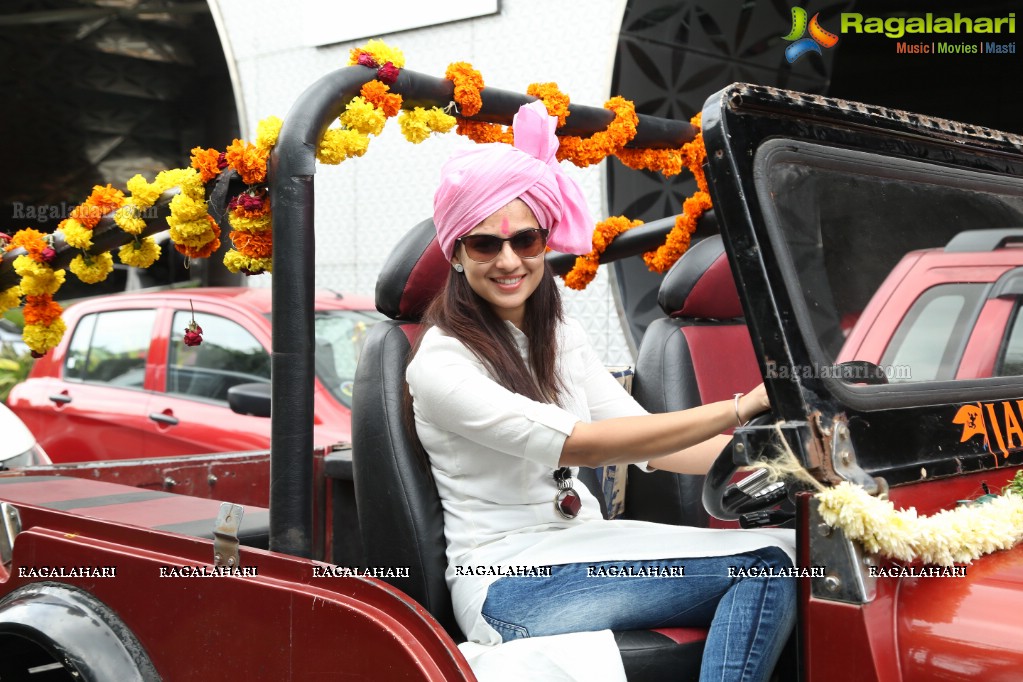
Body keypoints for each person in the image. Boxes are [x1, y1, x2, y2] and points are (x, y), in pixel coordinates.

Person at [405, 100, 795, 682]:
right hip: (509, 585)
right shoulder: (439, 363)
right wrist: (743, 406)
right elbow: (583, 445)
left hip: (582, 548)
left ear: (544, 245)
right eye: (485, 244)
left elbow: (652, 447)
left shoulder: (558, 334)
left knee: (799, 548)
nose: (509, 260)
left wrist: (790, 463)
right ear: (457, 255)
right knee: (768, 566)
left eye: (526, 241)